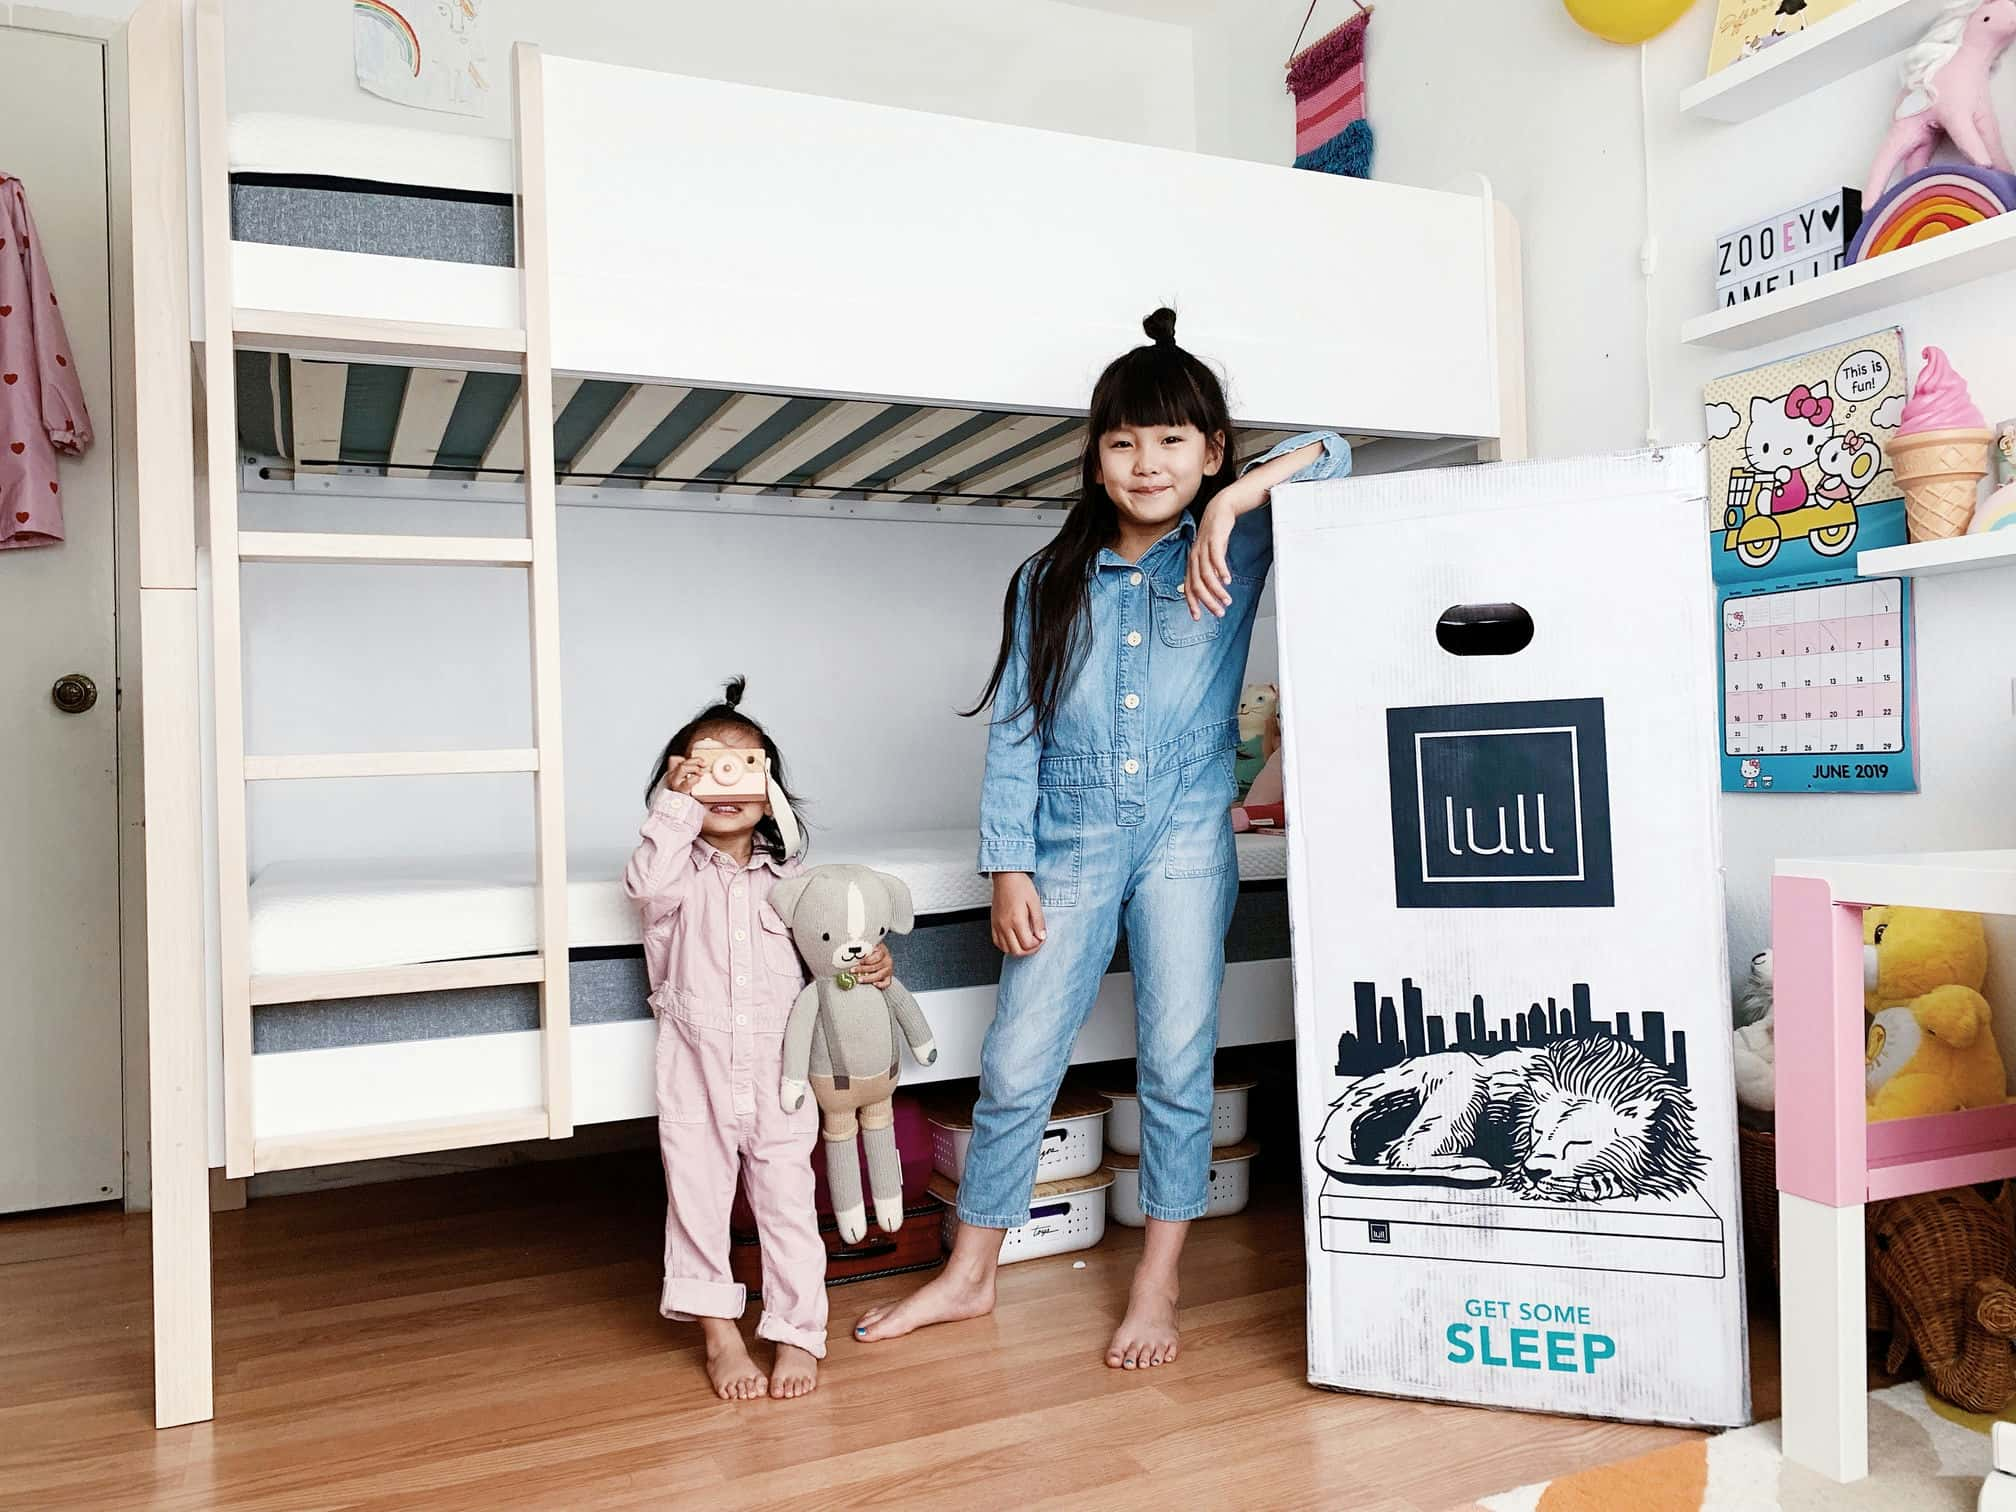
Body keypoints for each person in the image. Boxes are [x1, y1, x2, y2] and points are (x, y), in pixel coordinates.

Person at [853, 307, 1348, 1367]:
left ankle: (1157, 1284)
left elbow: (1338, 456)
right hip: (1067, 840)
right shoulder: (1050, 578)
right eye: (1123, 440)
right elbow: (1018, 734)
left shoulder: (1240, 539)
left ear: (1211, 449)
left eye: (1174, 441)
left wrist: (1238, 502)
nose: (1146, 462)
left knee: (1177, 1062)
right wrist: (1008, 865)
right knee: (1018, 1064)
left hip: (1183, 841)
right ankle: (969, 1274)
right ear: (1094, 454)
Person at [625, 677, 895, 1400]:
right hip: (696, 1070)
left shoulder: (794, 883)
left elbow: (831, 965)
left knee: (787, 1204)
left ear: (770, 787)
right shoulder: (672, 877)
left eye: (743, 767)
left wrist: (868, 965)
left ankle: (797, 1332)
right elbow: (646, 882)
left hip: (781, 1071)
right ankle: (718, 1335)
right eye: (702, 765)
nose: (723, 781)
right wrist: (676, 803)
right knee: (699, 1201)